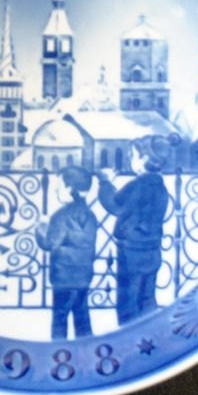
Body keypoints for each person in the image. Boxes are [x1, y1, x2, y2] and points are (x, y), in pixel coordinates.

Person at [97, 136, 169, 325]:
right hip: (152, 249)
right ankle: (149, 332)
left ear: (144, 159)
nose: (130, 160)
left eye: (133, 156)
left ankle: (127, 333)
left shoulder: (137, 186)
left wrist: (105, 182)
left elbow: (115, 205)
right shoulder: (161, 187)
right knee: (147, 298)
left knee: (128, 299)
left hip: (131, 250)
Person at [36, 166, 98, 339]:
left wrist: (41, 227)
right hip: (84, 275)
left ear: (70, 188)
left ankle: (59, 348)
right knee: (82, 318)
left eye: (59, 186)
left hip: (63, 277)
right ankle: (86, 348)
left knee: (60, 319)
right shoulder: (90, 215)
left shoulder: (61, 216)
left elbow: (49, 244)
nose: (56, 190)